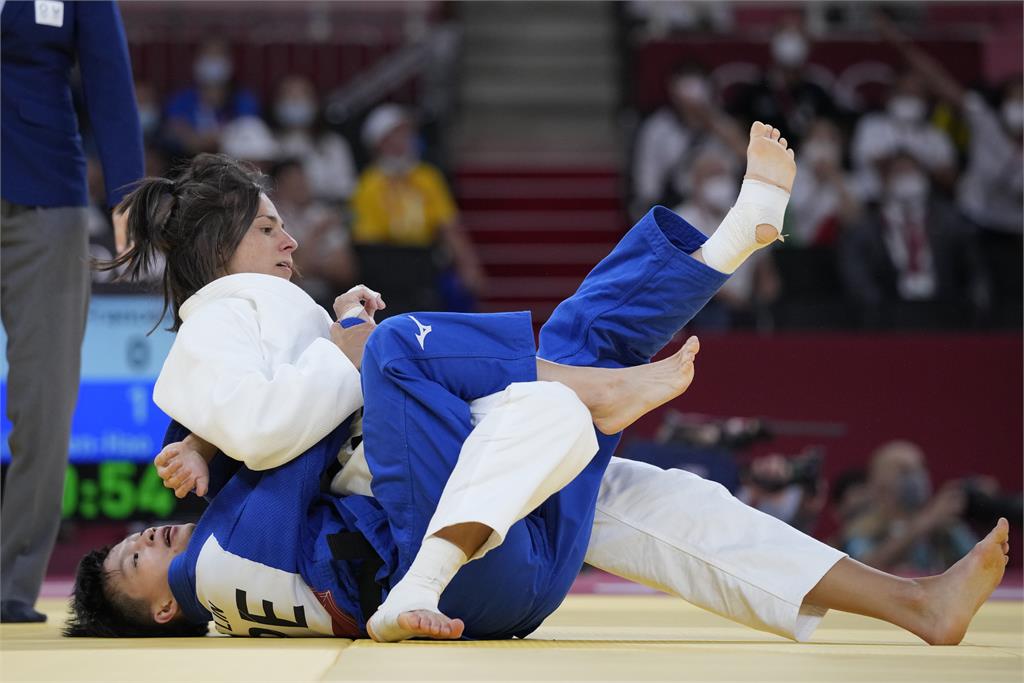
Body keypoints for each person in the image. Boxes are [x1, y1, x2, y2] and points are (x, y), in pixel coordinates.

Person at [68, 126, 1009, 646]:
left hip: (480, 533)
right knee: (421, 349)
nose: (291, 241)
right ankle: (620, 360)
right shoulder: (219, 339)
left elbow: (260, 436)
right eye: (270, 228)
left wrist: (218, 432)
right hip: (438, 561)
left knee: (663, 499)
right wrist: (341, 354)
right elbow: (274, 431)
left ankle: (911, 603)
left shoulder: (264, 335)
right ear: (219, 252)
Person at [0, 0, 144, 623]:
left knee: (45, 400)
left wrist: (127, 199)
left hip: (46, 204)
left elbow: (109, 80)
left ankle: (11, 585)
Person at [351, 104, 486, 313]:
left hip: (425, 260)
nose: (404, 141)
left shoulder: (427, 178)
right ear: (380, 142)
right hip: (386, 263)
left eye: (406, 134)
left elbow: (448, 225)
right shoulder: (369, 184)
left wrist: (468, 264)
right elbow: (367, 238)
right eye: (396, 135)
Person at [838, 150, 990, 328]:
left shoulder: (951, 222)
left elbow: (975, 270)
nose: (906, 180)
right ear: (885, 180)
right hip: (890, 319)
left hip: (946, 316)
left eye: (911, 173)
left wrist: (972, 310)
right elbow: (858, 281)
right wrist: (879, 316)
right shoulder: (864, 230)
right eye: (899, 173)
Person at [631, 62, 746, 219]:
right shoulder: (658, 127)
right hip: (676, 206)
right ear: (673, 90)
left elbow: (745, 157)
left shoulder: (722, 125)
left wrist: (709, 118)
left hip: (723, 206)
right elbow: (647, 180)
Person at [841, 441, 977, 574]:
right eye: (905, 471)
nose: (917, 477)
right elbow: (865, 568)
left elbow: (976, 562)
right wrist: (925, 522)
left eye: (920, 468)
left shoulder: (943, 524)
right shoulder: (862, 527)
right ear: (879, 480)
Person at [268, 159, 356, 309]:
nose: (302, 185)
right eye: (294, 181)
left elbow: (346, 272)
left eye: (303, 179)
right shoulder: (270, 220)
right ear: (279, 186)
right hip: (285, 300)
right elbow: (290, 274)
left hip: (328, 300)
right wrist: (316, 234)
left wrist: (306, 263)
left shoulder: (323, 215)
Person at [163, 39, 260, 158]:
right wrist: (194, 139)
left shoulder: (244, 98)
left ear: (229, 62)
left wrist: (220, 138)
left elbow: (248, 127)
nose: (213, 61)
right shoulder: (180, 98)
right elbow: (174, 126)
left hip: (232, 159)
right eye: (208, 56)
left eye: (218, 56)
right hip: (186, 157)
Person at [271, 75, 357, 204]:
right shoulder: (267, 144)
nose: (295, 101)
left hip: (326, 216)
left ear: (315, 102)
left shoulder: (334, 144)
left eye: (302, 96)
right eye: (289, 95)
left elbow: (347, 189)